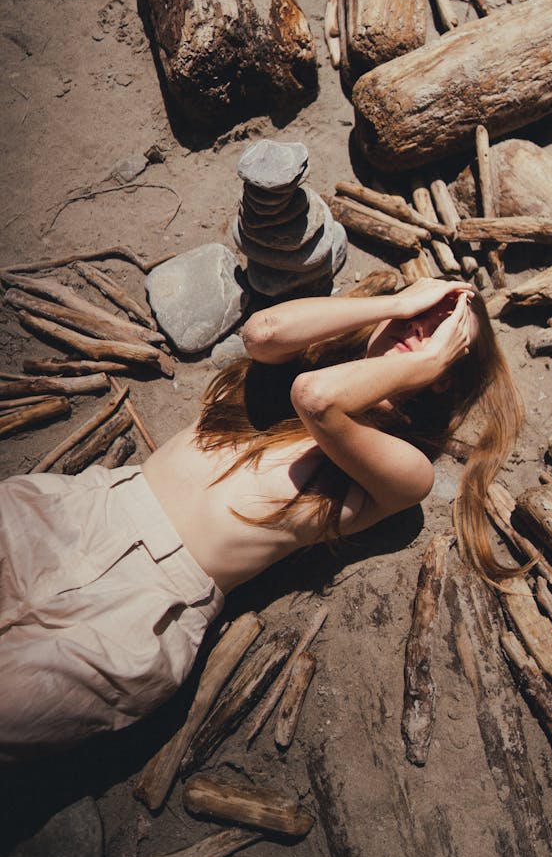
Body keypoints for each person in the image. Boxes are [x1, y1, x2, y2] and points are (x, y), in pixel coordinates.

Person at [0, 274, 522, 763]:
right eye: (424, 311)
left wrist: (426, 361)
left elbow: (317, 401)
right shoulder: (298, 363)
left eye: (443, 329)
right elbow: (263, 330)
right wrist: (398, 302)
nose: (419, 326)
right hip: (86, 509)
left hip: (144, 608)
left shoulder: (406, 468)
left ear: (445, 376)